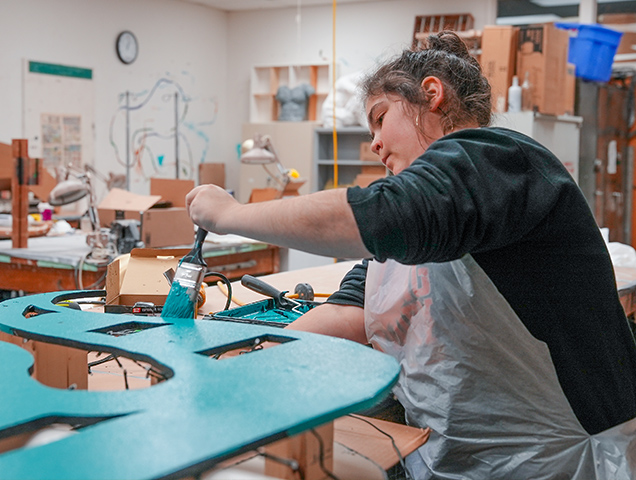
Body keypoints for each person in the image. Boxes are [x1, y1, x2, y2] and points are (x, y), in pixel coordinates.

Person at [186, 31, 636, 479]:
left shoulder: (500, 161)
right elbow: (354, 310)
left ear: (432, 94)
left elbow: (376, 216)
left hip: (559, 460)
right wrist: (249, 360)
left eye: (381, 119)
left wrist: (230, 214)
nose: (375, 143)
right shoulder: (424, 218)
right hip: (461, 457)